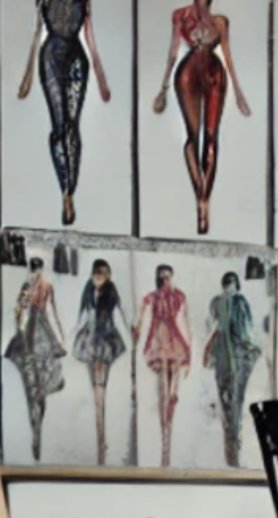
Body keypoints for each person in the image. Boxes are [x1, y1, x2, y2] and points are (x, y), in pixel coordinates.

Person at [153, 1, 252, 236]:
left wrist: (238, 93)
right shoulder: (180, 15)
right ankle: (200, 197)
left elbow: (228, 56)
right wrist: (163, 89)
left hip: (215, 73)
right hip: (188, 73)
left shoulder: (220, 22)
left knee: (211, 137)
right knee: (192, 135)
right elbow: (173, 51)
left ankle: (204, 201)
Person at [16, 0, 112, 227]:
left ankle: (70, 191)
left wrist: (101, 79)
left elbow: (90, 38)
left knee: (72, 126)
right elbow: (37, 34)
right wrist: (27, 77)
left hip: (76, 58)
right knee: (59, 128)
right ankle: (65, 191)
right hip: (50, 58)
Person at [4, 257, 67, 459]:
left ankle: (37, 429)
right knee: (35, 381)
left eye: (36, 269)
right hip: (36, 327)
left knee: (38, 381)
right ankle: (36, 431)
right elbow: (23, 310)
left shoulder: (39, 286)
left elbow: (48, 310)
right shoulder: (37, 286)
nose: (36, 273)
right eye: (35, 270)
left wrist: (60, 335)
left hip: (38, 327)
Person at [71, 258, 131, 463]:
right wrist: (71, 336)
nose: (98, 276)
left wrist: (130, 340)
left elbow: (119, 316)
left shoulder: (111, 293)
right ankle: (99, 433)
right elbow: (81, 317)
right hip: (89, 341)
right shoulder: (87, 291)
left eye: (103, 273)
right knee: (94, 388)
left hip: (105, 341)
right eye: (96, 272)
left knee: (100, 389)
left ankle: (101, 433)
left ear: (108, 276)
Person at [134, 264, 191, 465]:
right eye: (163, 278)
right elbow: (143, 305)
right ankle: (164, 437)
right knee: (162, 391)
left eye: (169, 277)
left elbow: (185, 321)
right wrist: (139, 325)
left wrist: (189, 347)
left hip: (173, 340)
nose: (166, 281)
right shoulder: (155, 296)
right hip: (159, 339)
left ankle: (169, 434)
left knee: (172, 386)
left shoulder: (178, 296)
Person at [202, 270, 259, 467]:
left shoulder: (217, 302)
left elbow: (210, 328)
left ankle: (231, 455)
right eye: (230, 283)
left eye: (231, 283)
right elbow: (245, 332)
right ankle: (233, 455)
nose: (230, 287)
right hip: (234, 358)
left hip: (224, 358)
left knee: (228, 404)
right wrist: (253, 349)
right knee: (234, 404)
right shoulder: (236, 302)